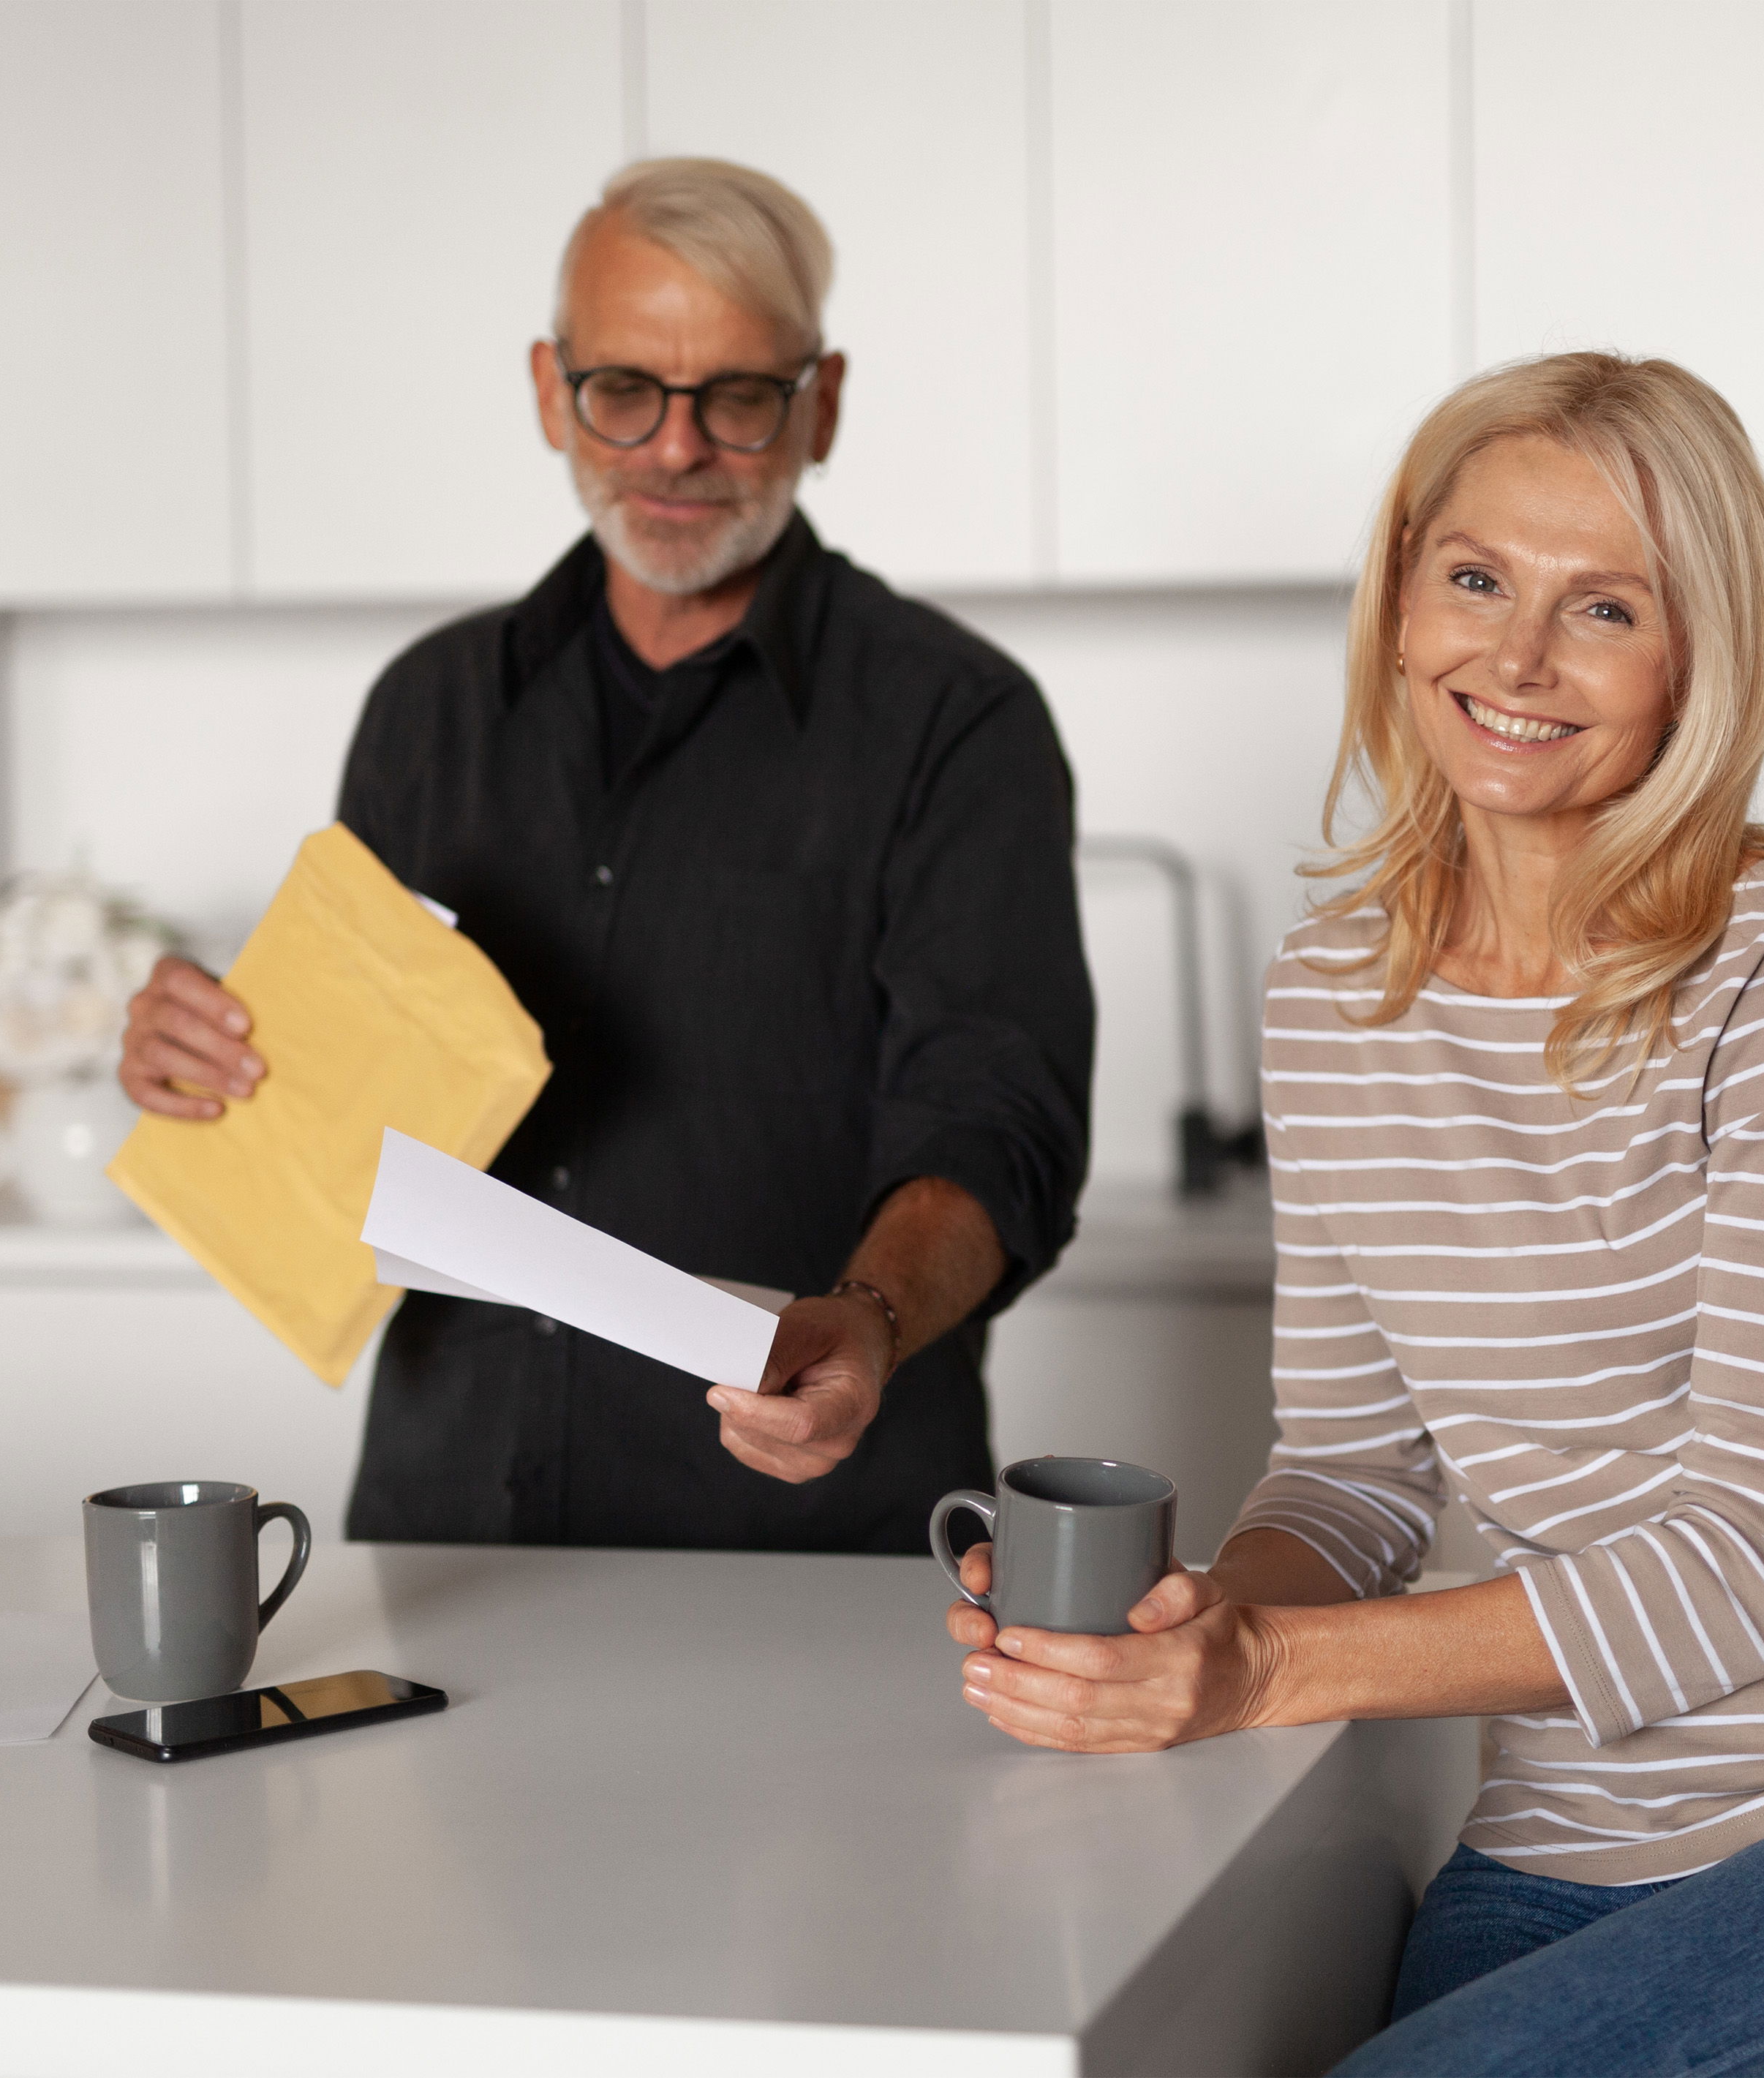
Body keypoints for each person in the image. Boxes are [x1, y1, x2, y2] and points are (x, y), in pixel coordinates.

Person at [942, 353, 1764, 2075]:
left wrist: (1261, 1671)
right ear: (1398, 597)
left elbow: (1749, 1564)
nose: (1515, 660)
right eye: (1475, 579)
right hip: (1571, 1838)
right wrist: (1192, 1627)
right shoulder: (1334, 998)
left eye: (1602, 607)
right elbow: (1358, 1473)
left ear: (1699, 660)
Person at [120, 158, 1093, 1554]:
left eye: (740, 396)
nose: (676, 450)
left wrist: (869, 1322)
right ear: (546, 389)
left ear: (821, 403)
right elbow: (355, 1115)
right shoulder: (428, 709)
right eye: (623, 389)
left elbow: (997, 1120)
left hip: (805, 1554)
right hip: (449, 1534)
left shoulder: (959, 721)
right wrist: (208, 1057)